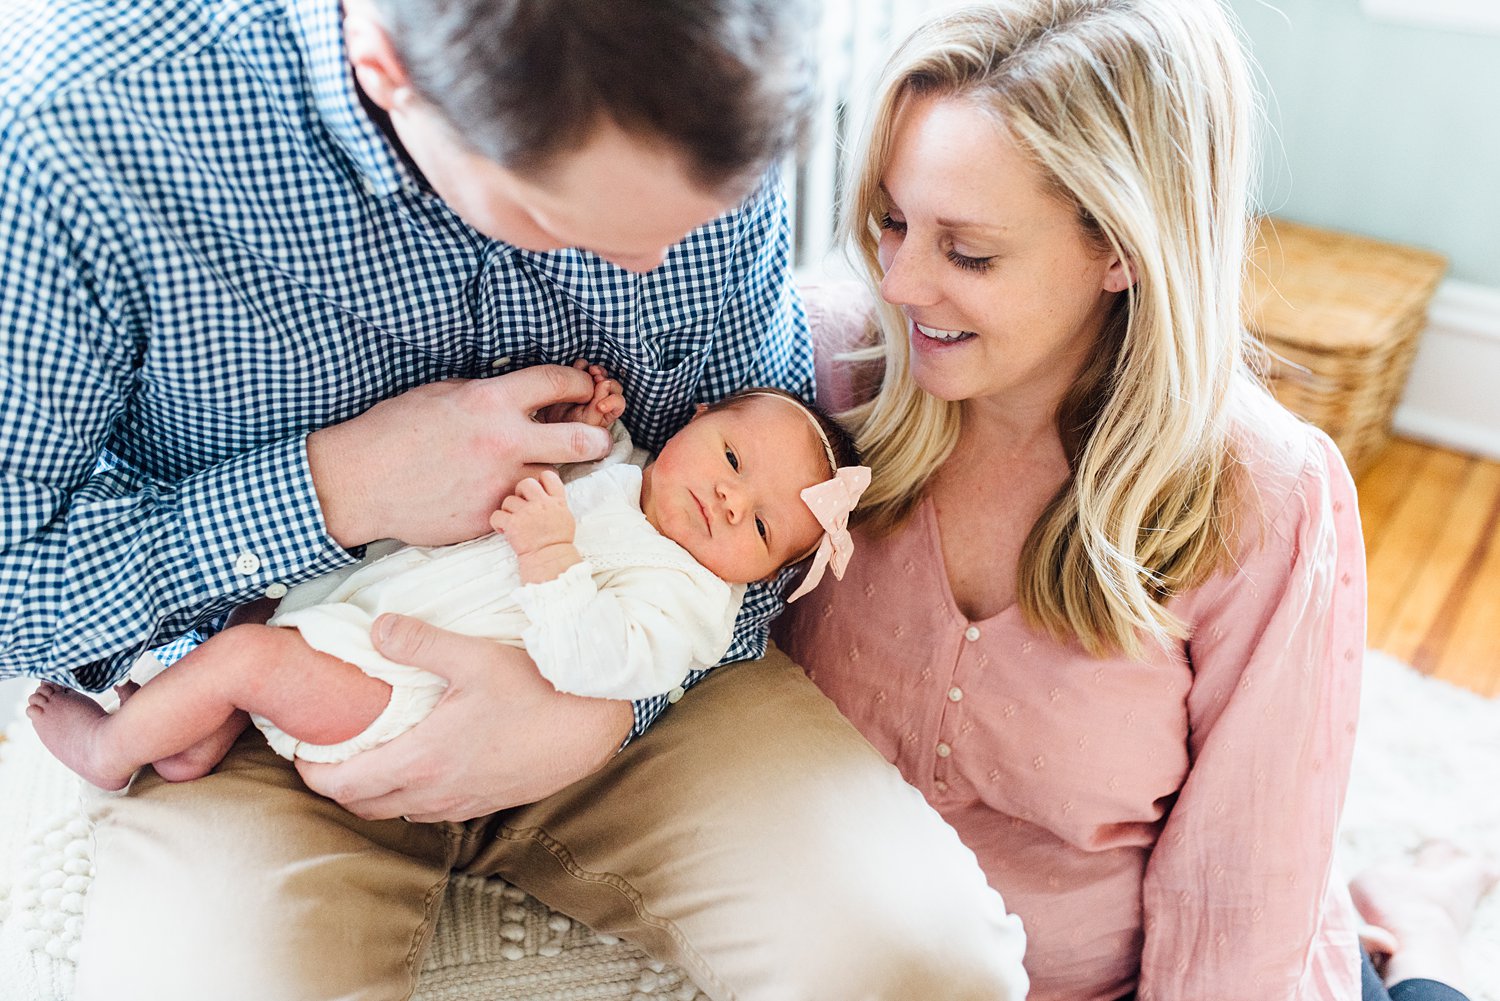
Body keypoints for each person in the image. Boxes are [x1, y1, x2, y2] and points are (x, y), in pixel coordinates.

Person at [0, 0, 1029, 997]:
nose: (649, 262)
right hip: (282, 685)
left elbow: (768, 515)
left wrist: (609, 707)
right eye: (559, 221)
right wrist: (333, 486)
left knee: (928, 964)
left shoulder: (721, 61)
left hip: (637, 652)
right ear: (387, 75)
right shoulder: (79, 126)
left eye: (693, 216)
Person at [771, 0, 1387, 998]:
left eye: (969, 252)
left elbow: (1236, 908)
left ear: (1120, 252)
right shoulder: (826, 364)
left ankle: (1420, 923)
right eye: (892, 219)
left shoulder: (1269, 497)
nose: (901, 280)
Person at [28, 382, 872, 788]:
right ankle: (198, 738)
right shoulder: (629, 474)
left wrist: (553, 557)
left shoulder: (693, 605)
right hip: (367, 606)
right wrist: (585, 423)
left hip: (409, 691)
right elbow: (559, 467)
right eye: (731, 459)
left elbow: (604, 662)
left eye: (761, 528)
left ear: (763, 578)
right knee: (252, 619)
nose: (730, 500)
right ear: (694, 419)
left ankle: (111, 751)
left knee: (251, 656)